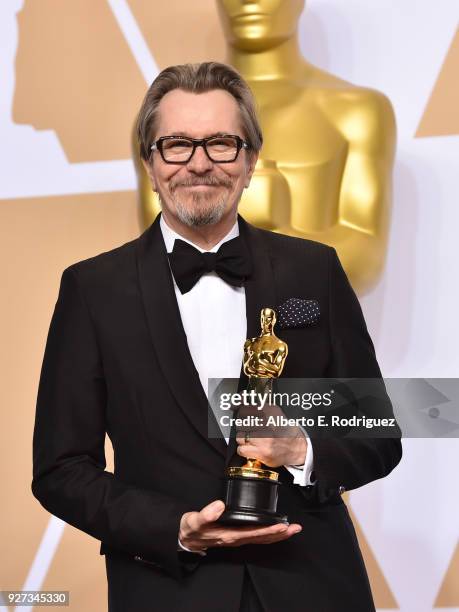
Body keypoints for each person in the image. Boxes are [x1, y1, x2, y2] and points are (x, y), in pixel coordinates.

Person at [32, 62, 402, 612]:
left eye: (222, 144)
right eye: (177, 145)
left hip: (313, 587)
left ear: (251, 161)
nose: (199, 163)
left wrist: (299, 448)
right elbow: (60, 470)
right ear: (150, 165)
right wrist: (174, 529)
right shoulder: (92, 289)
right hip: (167, 589)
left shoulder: (314, 271)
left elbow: (377, 433)